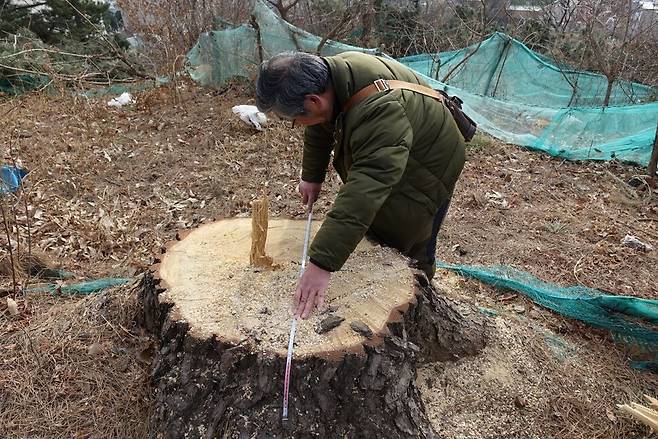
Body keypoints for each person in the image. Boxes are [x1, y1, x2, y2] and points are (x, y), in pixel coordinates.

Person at [255, 51, 465, 319]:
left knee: (410, 229)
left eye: (295, 120)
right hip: (400, 137)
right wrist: (312, 175)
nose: (296, 125)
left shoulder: (380, 110)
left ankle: (419, 303)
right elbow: (321, 123)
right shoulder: (331, 77)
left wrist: (321, 263)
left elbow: (366, 187)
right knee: (377, 221)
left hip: (430, 160)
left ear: (314, 100)